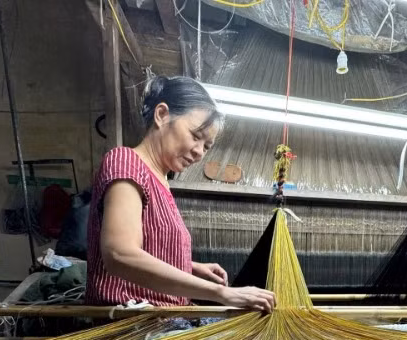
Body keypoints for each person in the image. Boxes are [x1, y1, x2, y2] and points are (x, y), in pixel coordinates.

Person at [86, 75, 275, 312]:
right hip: (131, 323)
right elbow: (120, 255)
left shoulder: (161, 181)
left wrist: (189, 266)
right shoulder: (126, 162)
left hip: (163, 319)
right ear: (162, 115)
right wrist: (221, 293)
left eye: (206, 146)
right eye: (195, 136)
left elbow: (150, 246)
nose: (199, 152)